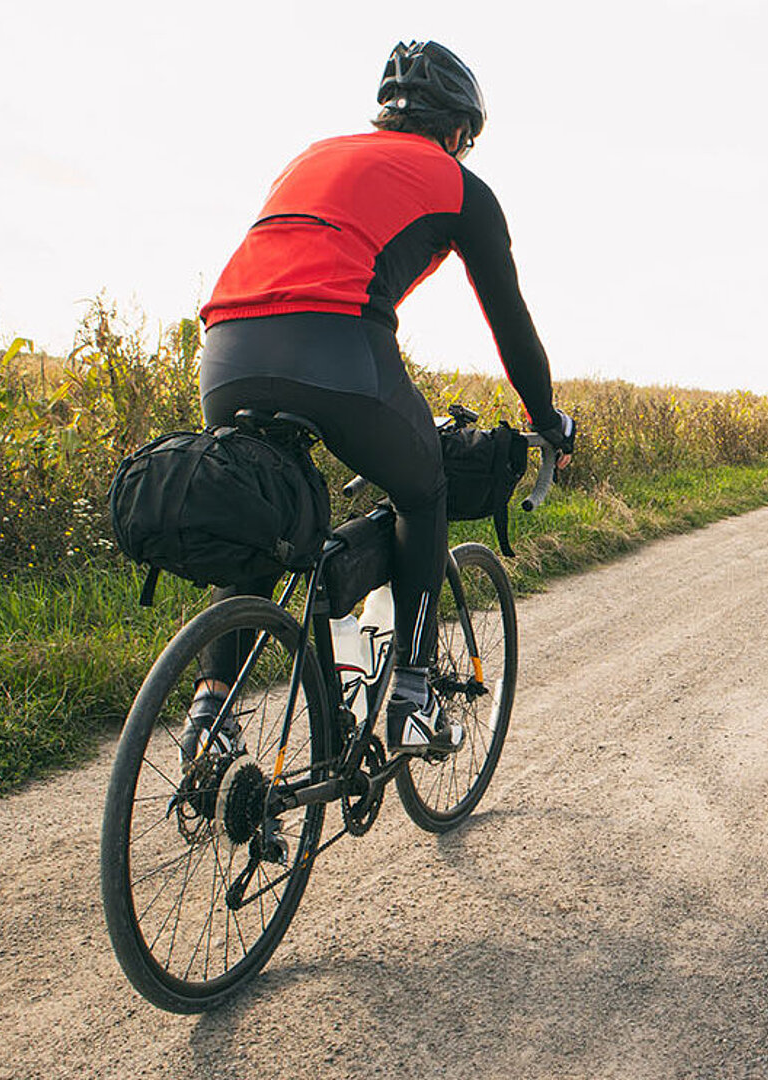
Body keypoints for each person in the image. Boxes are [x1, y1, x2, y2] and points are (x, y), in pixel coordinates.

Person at [182, 39, 574, 762]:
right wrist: (547, 420)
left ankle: (211, 709)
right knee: (421, 490)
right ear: (457, 132)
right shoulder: (459, 185)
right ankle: (415, 697)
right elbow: (511, 326)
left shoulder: (312, 156)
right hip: (334, 345)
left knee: (263, 511)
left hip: (225, 348)